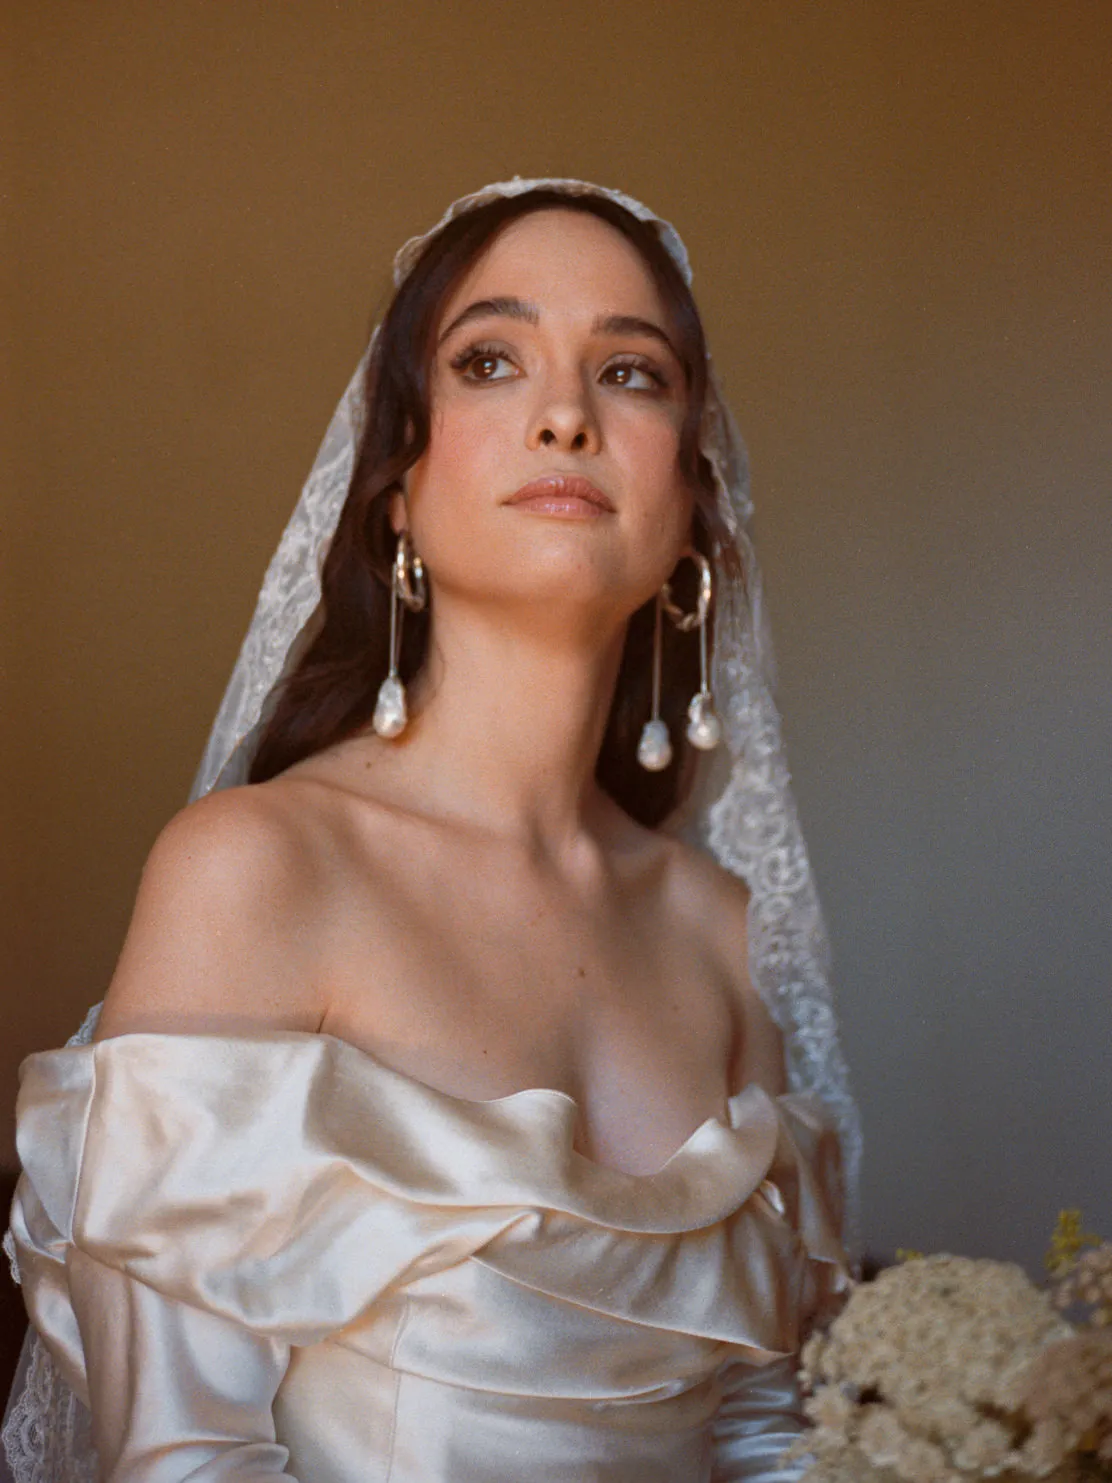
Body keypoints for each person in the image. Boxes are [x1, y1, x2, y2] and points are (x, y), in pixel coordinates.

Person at [3, 178, 863, 1483]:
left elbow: (764, 1436)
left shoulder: (721, 934)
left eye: (631, 372)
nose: (566, 414)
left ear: (694, 504)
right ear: (395, 486)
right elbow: (184, 1460)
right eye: (491, 361)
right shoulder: (257, 871)